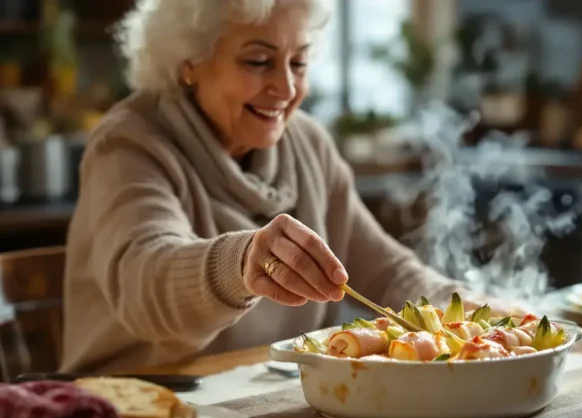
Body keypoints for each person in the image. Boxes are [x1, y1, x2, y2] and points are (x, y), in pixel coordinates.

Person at [60, 0, 523, 373]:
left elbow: (383, 271)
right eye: (258, 61)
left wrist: (473, 310)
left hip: (257, 399)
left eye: (298, 62)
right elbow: (146, 280)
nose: (285, 87)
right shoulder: (129, 142)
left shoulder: (308, 144)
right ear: (190, 63)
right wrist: (242, 263)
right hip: (140, 406)